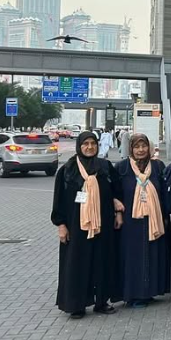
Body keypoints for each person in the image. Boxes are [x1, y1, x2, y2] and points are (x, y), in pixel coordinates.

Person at [52, 132, 123, 318]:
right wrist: (61, 225)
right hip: (76, 227)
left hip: (103, 225)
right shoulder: (67, 170)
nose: (90, 147)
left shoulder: (105, 167)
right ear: (79, 146)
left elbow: (117, 190)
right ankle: (77, 305)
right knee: (76, 264)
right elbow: (59, 201)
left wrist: (118, 210)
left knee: (102, 262)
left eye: (93, 143)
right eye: (85, 144)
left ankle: (101, 302)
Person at [115, 133, 170, 308]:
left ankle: (149, 292)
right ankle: (133, 295)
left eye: (144, 146)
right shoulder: (122, 168)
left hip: (154, 220)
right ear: (130, 149)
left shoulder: (157, 166)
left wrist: (165, 216)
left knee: (153, 255)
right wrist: (117, 211)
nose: (141, 150)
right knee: (133, 257)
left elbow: (164, 192)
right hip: (131, 223)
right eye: (136, 147)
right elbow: (115, 193)